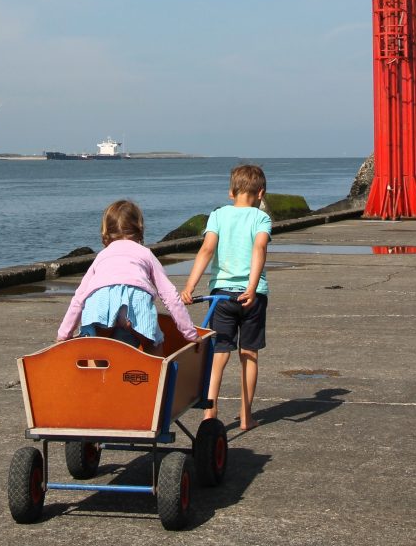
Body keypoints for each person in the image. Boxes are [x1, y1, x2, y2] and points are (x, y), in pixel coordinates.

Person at [181, 164, 271, 430]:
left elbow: (207, 249)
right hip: (252, 296)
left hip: (220, 294)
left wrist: (189, 286)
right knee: (249, 354)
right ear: (261, 193)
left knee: (219, 354)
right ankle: (246, 416)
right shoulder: (261, 218)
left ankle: (210, 412)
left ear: (231, 192)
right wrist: (252, 287)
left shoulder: (218, 215)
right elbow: (260, 247)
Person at [57, 199, 199, 350]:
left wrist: (63, 335)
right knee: (154, 345)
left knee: (95, 350)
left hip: (100, 304)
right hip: (135, 303)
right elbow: (170, 296)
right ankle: (156, 371)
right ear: (140, 228)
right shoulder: (145, 253)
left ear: (106, 231)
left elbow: (79, 298)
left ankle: (98, 371)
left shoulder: (102, 256)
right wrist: (190, 334)